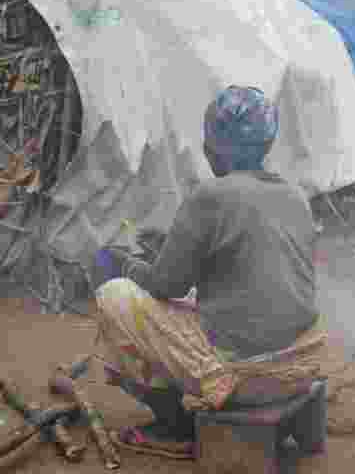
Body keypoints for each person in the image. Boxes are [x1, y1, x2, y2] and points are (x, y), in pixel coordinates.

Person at [93, 85, 327, 458]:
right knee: (195, 300)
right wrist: (173, 248)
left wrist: (125, 263)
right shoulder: (293, 194)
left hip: (248, 377)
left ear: (211, 148)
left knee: (115, 296)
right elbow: (251, 267)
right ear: (267, 144)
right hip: (301, 363)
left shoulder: (210, 196)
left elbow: (165, 284)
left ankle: (175, 426)